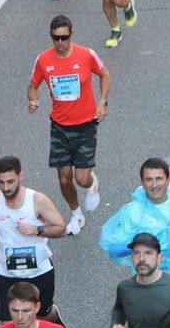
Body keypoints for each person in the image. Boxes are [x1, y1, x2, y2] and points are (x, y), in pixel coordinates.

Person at [27, 17, 110, 237]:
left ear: (72, 34)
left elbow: (104, 74)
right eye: (56, 38)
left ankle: (91, 184)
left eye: (64, 37)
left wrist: (102, 102)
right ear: (51, 36)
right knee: (64, 177)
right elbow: (33, 86)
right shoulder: (44, 60)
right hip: (59, 126)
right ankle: (76, 215)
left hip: (85, 125)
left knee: (81, 179)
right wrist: (33, 100)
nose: (60, 42)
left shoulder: (86, 54)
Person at [98, 158, 170, 286]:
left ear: (168, 180)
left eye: (159, 178)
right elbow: (113, 247)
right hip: (149, 285)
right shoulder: (133, 212)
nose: (154, 185)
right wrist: (134, 247)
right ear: (142, 182)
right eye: (149, 179)